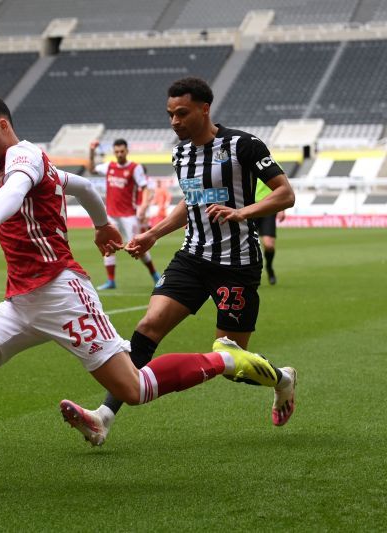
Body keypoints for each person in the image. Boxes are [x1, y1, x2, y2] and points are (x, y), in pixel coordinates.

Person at [0, 95, 297, 470]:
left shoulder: (24, 156)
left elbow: (15, 190)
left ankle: (221, 358)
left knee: (133, 389)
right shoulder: (25, 163)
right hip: (24, 302)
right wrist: (102, 224)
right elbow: (85, 187)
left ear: (3, 126)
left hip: (62, 293)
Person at [59, 77, 297, 447]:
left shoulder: (243, 145)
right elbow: (191, 202)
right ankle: (103, 417)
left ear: (205, 108)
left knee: (230, 360)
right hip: (192, 257)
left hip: (236, 263)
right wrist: (153, 234)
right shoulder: (181, 154)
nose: (175, 121)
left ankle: (282, 379)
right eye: (170, 114)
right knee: (148, 325)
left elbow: (285, 193)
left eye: (182, 113)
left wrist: (241, 212)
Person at [88, 138, 160, 290]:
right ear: (114, 152)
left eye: (122, 151)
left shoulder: (135, 168)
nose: (119, 154)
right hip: (111, 215)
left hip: (129, 215)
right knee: (108, 246)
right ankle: (111, 281)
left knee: (137, 246)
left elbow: (144, 187)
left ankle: (155, 275)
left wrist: (144, 205)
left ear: (127, 151)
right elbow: (92, 169)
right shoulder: (109, 166)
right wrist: (92, 151)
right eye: (116, 152)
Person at [254, 178, 286, 285]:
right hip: (249, 208)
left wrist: (281, 208)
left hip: (268, 207)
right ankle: (252, 275)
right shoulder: (243, 163)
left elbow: (281, 187)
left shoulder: (272, 165)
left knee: (269, 245)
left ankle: (269, 267)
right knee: (247, 245)